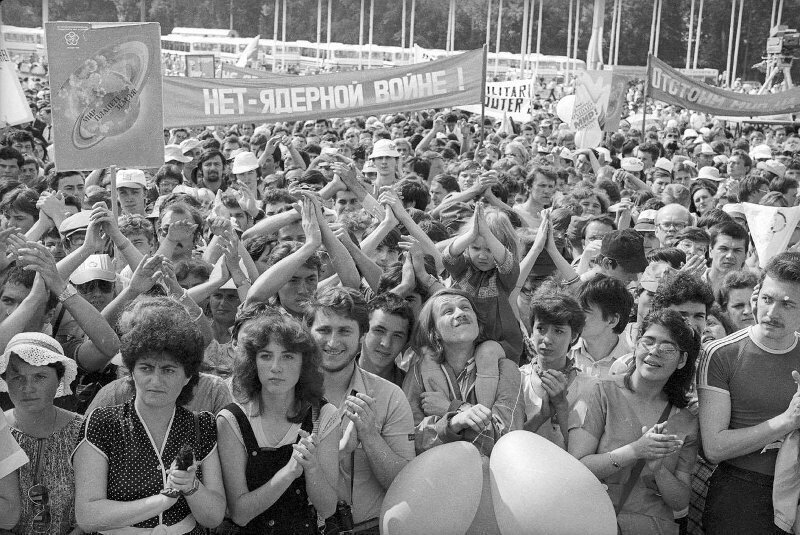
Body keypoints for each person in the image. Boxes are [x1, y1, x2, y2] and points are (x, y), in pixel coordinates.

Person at [73, 299, 226, 533]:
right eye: (146, 368)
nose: (155, 381)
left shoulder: (202, 425)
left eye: (168, 370)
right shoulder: (102, 423)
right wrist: (161, 502)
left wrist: (192, 487)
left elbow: (214, 517)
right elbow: (88, 515)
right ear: (131, 371)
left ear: (187, 377)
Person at [570, 309, 701, 535]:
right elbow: (577, 468)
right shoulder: (600, 391)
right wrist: (635, 451)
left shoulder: (686, 421)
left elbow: (680, 501)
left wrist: (659, 470)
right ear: (636, 345)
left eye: (667, 347)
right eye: (647, 341)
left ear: (682, 360)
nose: (654, 351)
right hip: (596, 521)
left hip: (652, 527)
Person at [698, 252, 800, 534]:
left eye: (788, 304)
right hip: (742, 492)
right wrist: (787, 421)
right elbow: (715, 448)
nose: (771, 313)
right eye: (767, 299)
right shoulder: (721, 353)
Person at [217, 304, 339, 534]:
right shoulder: (231, 419)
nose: (275, 367)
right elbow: (240, 514)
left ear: (304, 363)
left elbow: (328, 507)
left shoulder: (323, 415)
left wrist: (311, 468)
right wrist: (289, 472)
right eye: (266, 356)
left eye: (288, 356)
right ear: (252, 362)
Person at [306, 287, 414, 533]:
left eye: (344, 331)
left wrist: (370, 437)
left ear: (361, 336)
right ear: (307, 332)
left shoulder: (389, 396)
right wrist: (341, 450)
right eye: (323, 330)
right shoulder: (284, 392)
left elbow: (404, 482)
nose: (333, 342)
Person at [403, 288, 523, 457]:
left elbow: (506, 440)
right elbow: (409, 438)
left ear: (478, 324)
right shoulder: (418, 372)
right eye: (447, 311)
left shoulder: (506, 369)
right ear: (434, 332)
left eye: (465, 307)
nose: (460, 313)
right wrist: (453, 424)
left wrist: (452, 409)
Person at [2, 333, 82, 535]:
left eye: (40, 376)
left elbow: (97, 498)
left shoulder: (85, 430)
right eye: (17, 377)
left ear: (59, 379)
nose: (27, 388)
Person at [443, 202, 523, 362]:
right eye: (476, 248)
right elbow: (448, 257)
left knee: (486, 355)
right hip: (461, 338)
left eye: (489, 249)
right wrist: (472, 234)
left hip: (496, 344)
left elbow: (508, 265)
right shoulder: (463, 268)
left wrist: (487, 234)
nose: (482, 256)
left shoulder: (503, 277)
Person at [521, 288, 591, 450]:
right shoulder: (517, 379)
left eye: (558, 331)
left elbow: (580, 454)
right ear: (532, 330)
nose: (547, 339)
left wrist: (561, 406)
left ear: (574, 336)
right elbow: (508, 443)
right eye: (541, 329)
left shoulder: (591, 388)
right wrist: (542, 416)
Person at [357, 293, 414, 387]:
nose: (386, 343)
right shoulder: (330, 377)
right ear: (362, 331)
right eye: (379, 331)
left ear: (406, 342)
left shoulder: (412, 390)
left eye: (397, 336)